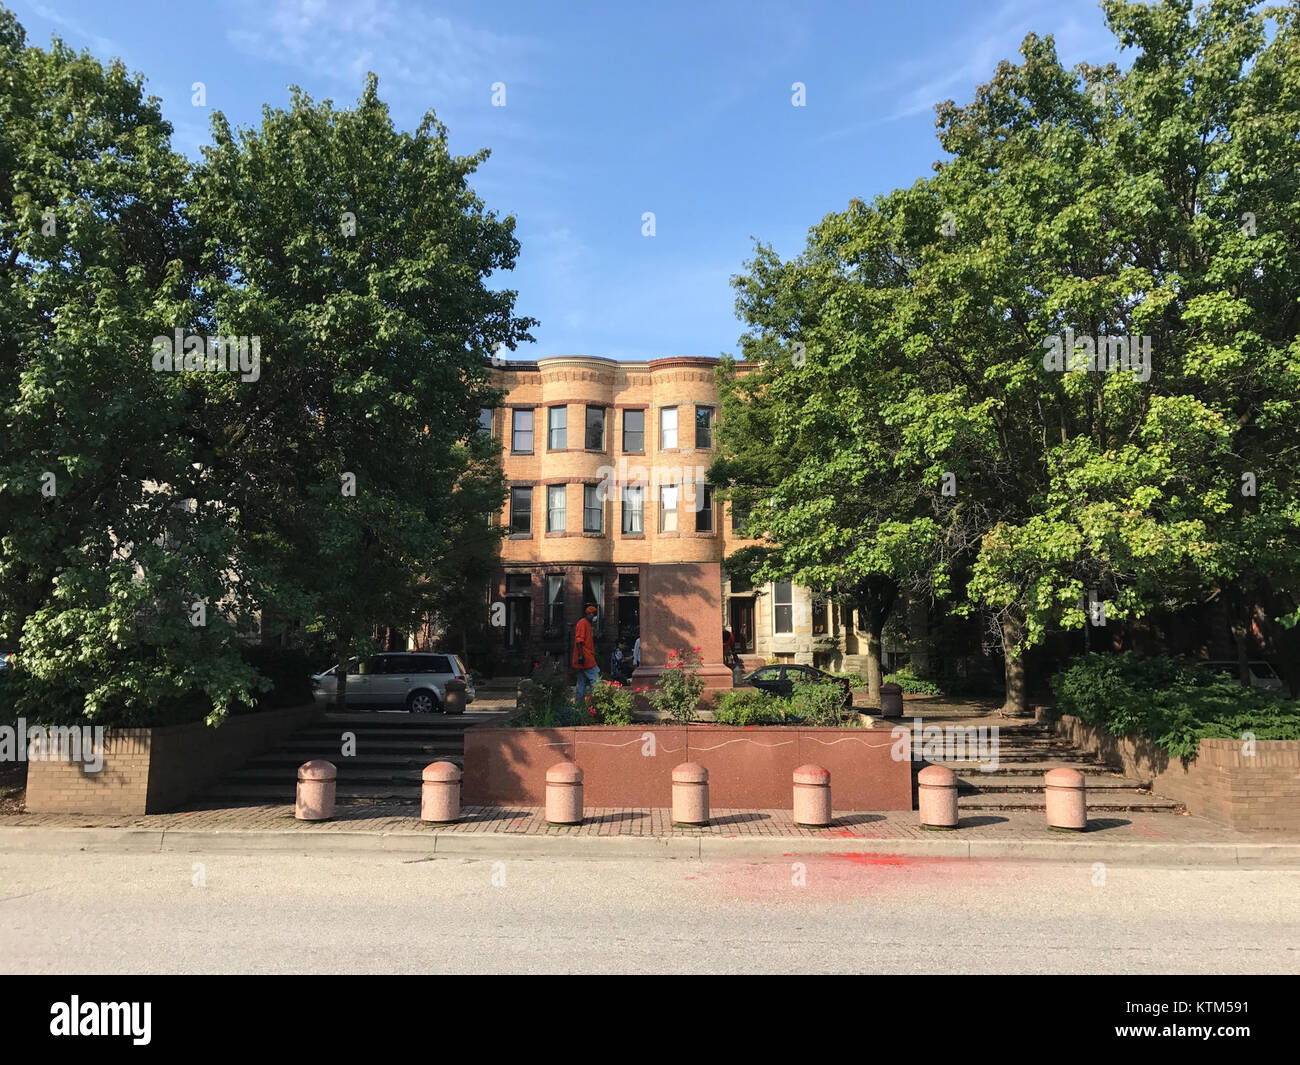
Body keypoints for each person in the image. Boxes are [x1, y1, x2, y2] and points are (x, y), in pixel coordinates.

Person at [572, 603, 600, 701]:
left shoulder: (585, 623)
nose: (595, 617)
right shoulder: (582, 623)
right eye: (594, 615)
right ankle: (599, 701)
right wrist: (581, 656)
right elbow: (579, 640)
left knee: (581, 682)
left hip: (584, 657)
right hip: (586, 657)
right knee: (596, 679)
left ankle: (579, 706)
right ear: (590, 614)